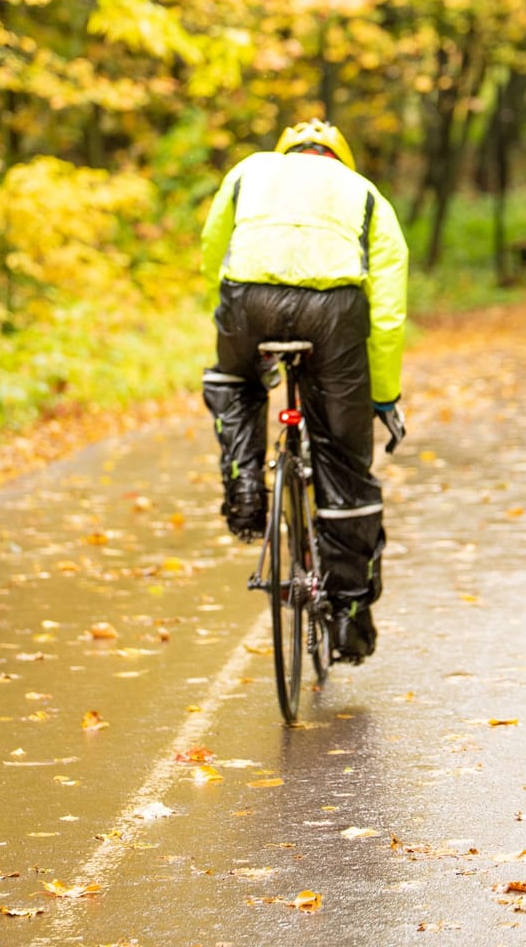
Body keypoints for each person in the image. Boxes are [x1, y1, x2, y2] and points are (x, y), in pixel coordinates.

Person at [199, 119, 409, 664]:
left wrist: (230, 320)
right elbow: (386, 313)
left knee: (234, 382)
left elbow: (212, 252)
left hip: (248, 302)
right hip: (332, 312)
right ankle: (346, 616)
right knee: (343, 461)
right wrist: (381, 396)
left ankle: (245, 485)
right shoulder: (365, 195)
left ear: (285, 152)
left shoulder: (249, 171)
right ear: (340, 158)